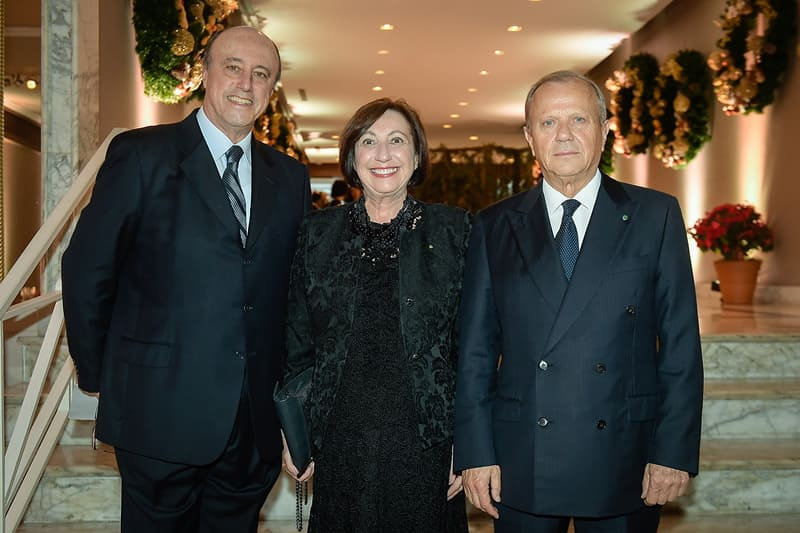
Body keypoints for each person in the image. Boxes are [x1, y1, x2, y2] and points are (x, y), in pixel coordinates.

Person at [61, 26, 311, 532]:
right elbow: (87, 270)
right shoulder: (140, 155)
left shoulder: (289, 176)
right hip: (157, 411)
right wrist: (100, 375)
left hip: (252, 427)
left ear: (271, 88)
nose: (245, 83)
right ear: (205, 73)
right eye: (233, 67)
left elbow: (295, 295)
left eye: (261, 74)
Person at [454, 70, 703, 533]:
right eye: (548, 123)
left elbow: (681, 346)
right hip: (522, 456)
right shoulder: (493, 225)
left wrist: (672, 452)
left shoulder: (655, 215)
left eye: (579, 120)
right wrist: (476, 453)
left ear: (605, 131)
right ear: (530, 137)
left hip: (624, 455)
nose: (563, 134)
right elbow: (475, 354)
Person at [281, 98, 470, 532]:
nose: (383, 154)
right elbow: (297, 343)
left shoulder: (455, 231)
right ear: (352, 157)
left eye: (397, 140)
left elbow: (472, 349)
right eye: (368, 141)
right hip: (340, 438)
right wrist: (294, 432)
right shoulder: (317, 233)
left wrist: (469, 442)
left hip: (427, 441)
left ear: (417, 155)